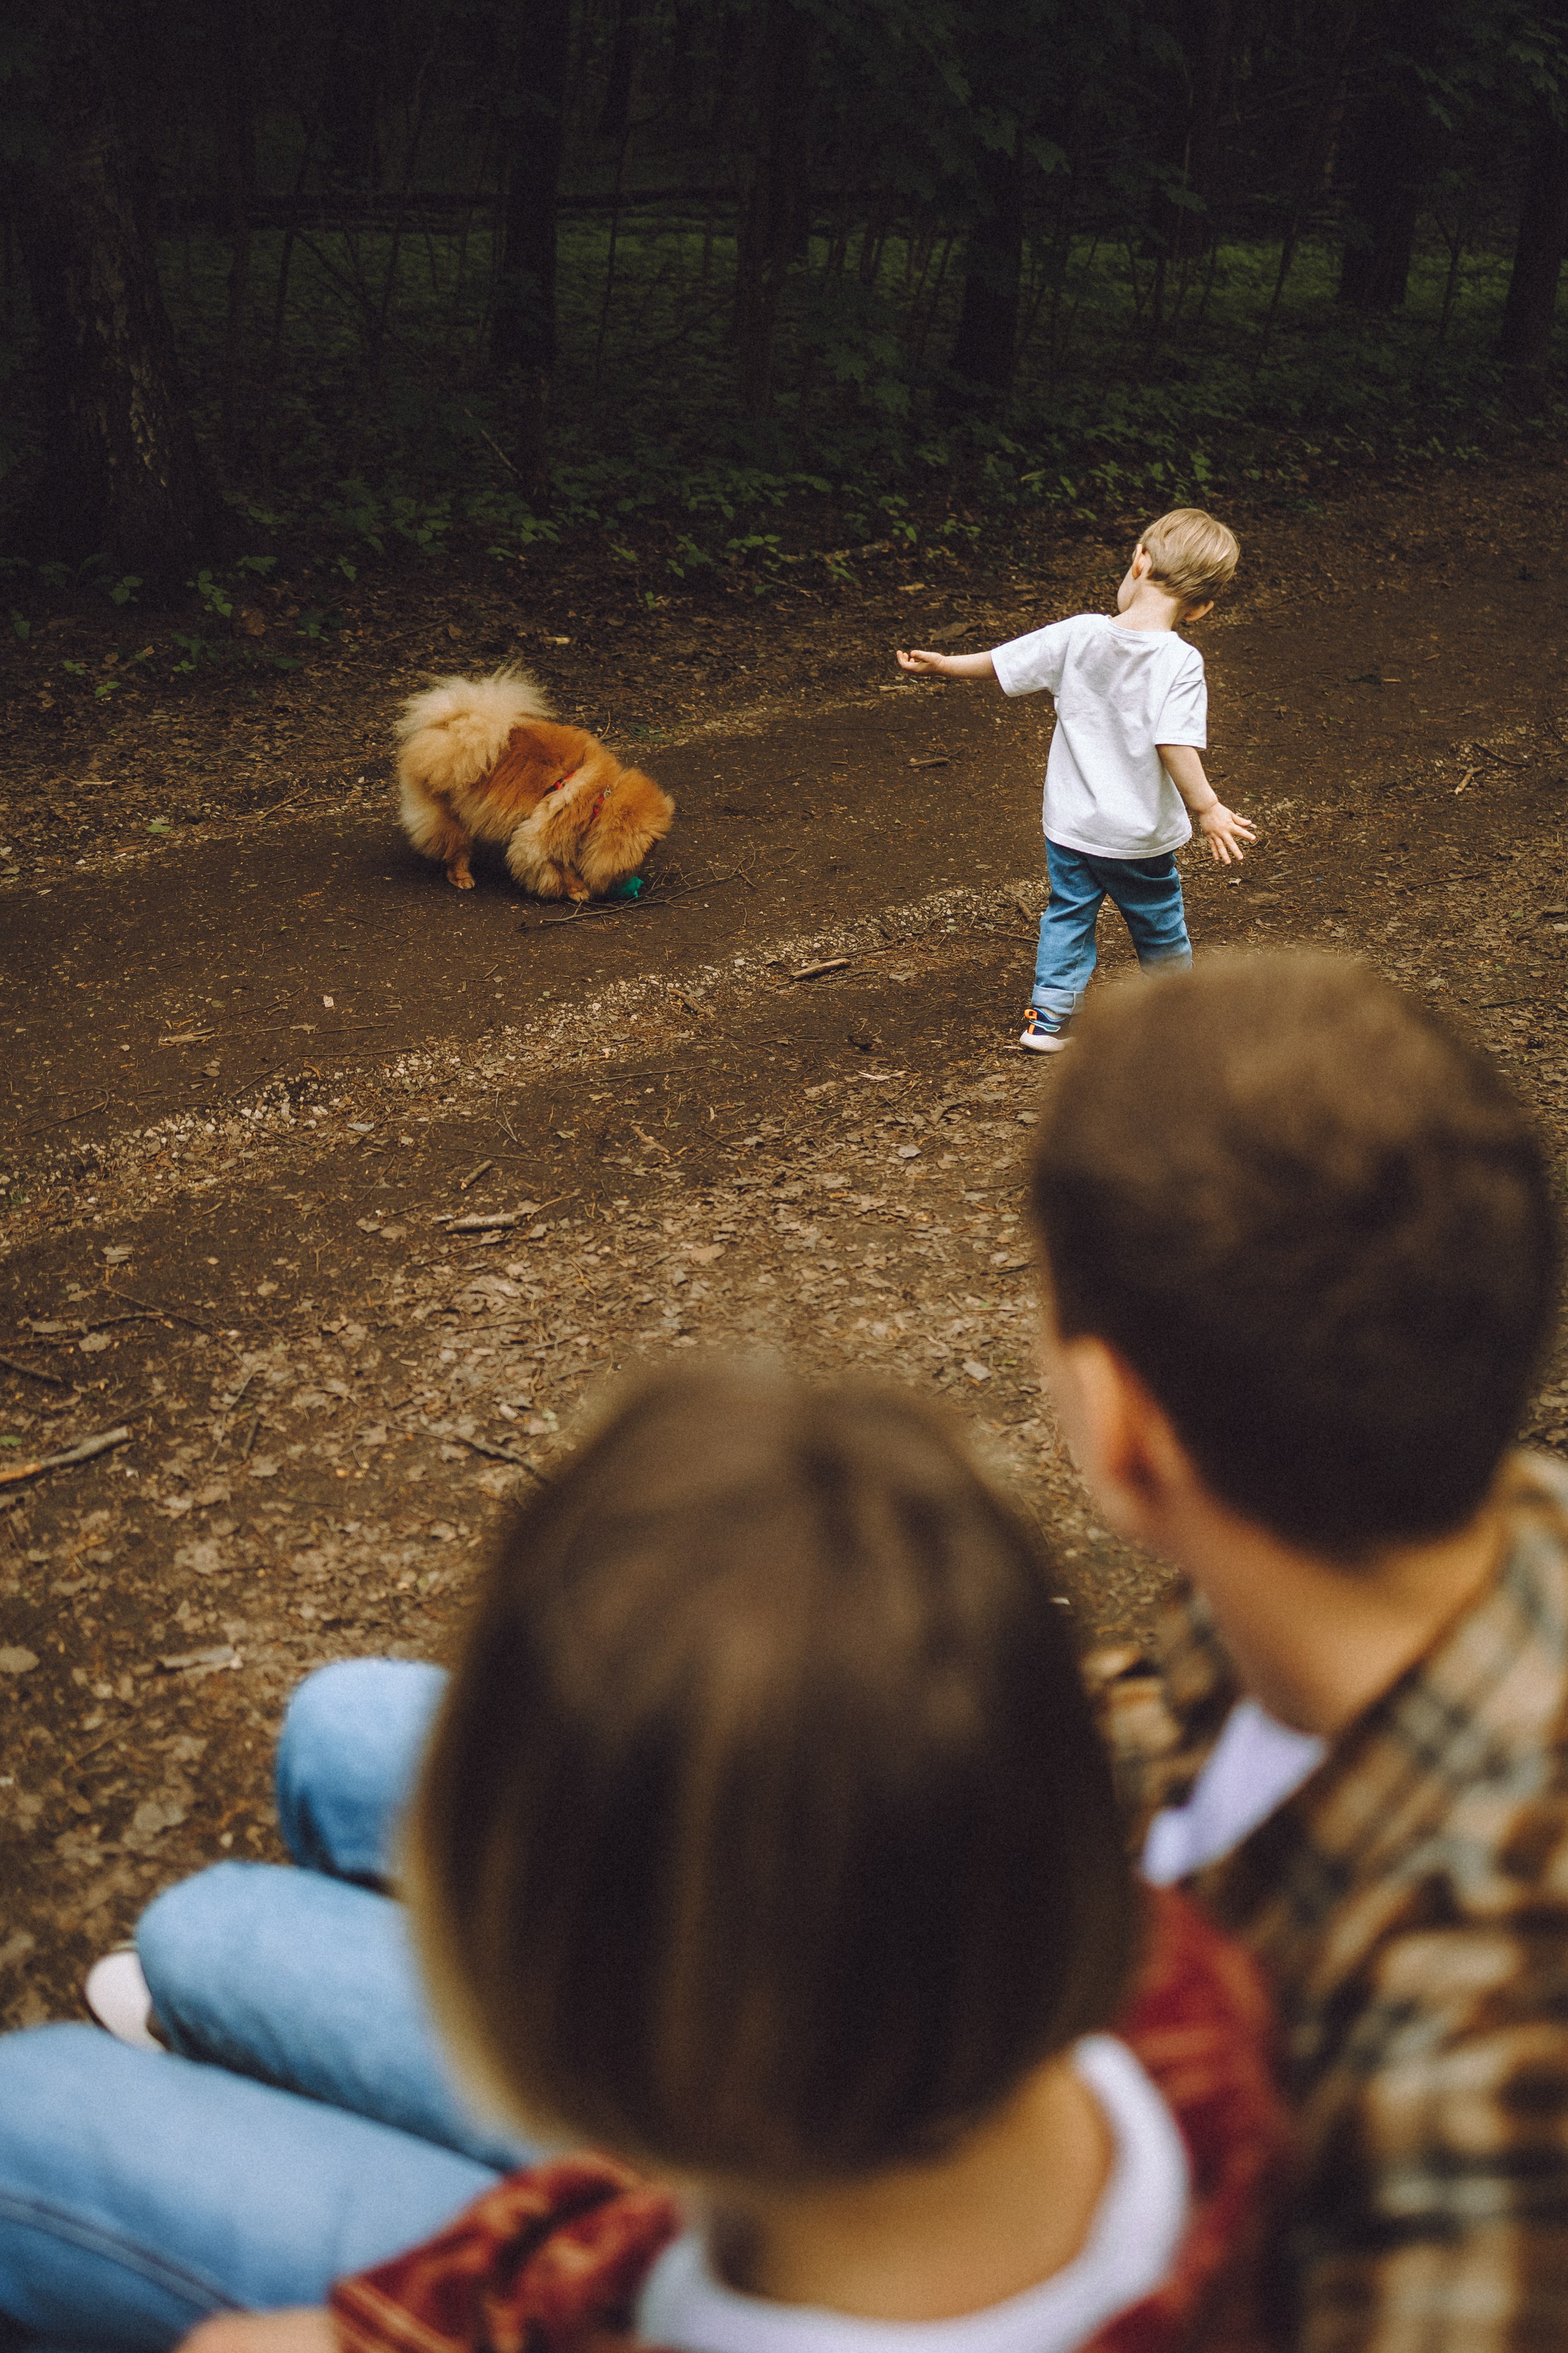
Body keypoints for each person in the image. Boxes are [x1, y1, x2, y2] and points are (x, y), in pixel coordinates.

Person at [0, 1365, 1285, 2353]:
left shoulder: (632, 2300)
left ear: (561, 2065)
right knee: (219, 1907)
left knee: (38, 2099)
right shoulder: (1196, 1992)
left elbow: (577, 2275)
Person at [1026, 950, 1568, 2353]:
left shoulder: (1482, 2080)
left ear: (1116, 1420)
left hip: (1006, 2213)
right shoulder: (1406, 1515)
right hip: (1045, 2009)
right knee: (364, 1736)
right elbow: (1161, 1738)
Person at [895, 507, 1253, 1054]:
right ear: (1202, 608)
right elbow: (1173, 742)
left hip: (1070, 826)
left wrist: (944, 664)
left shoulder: (1082, 633)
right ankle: (1177, 1017)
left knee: (1067, 914)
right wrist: (1207, 807)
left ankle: (1047, 1019)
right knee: (1159, 924)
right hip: (1136, 835)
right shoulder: (1180, 661)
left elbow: (1000, 662)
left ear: (1140, 560)